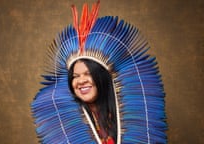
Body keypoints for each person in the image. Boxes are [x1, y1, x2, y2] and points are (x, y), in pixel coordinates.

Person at [31, 1, 167, 144]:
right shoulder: (66, 123)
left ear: (102, 77)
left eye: (88, 74)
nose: (81, 80)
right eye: (75, 76)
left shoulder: (123, 115)